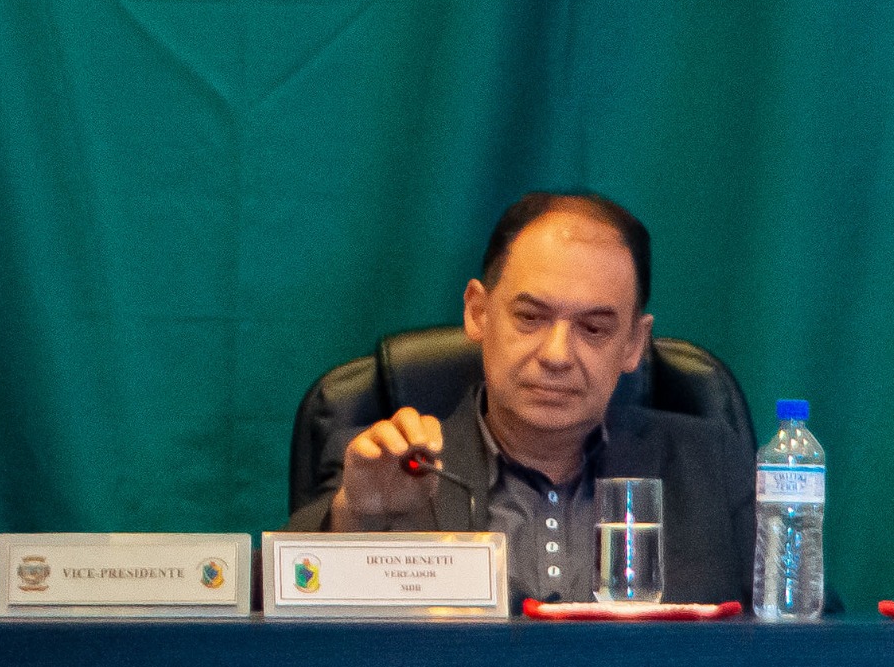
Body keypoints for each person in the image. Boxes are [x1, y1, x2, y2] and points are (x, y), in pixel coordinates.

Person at [299, 191, 754, 607]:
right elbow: (284, 613)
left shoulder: (711, 465)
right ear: (478, 312)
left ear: (634, 342)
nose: (557, 355)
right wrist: (354, 518)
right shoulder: (385, 464)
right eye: (531, 318)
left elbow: (789, 631)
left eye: (593, 328)